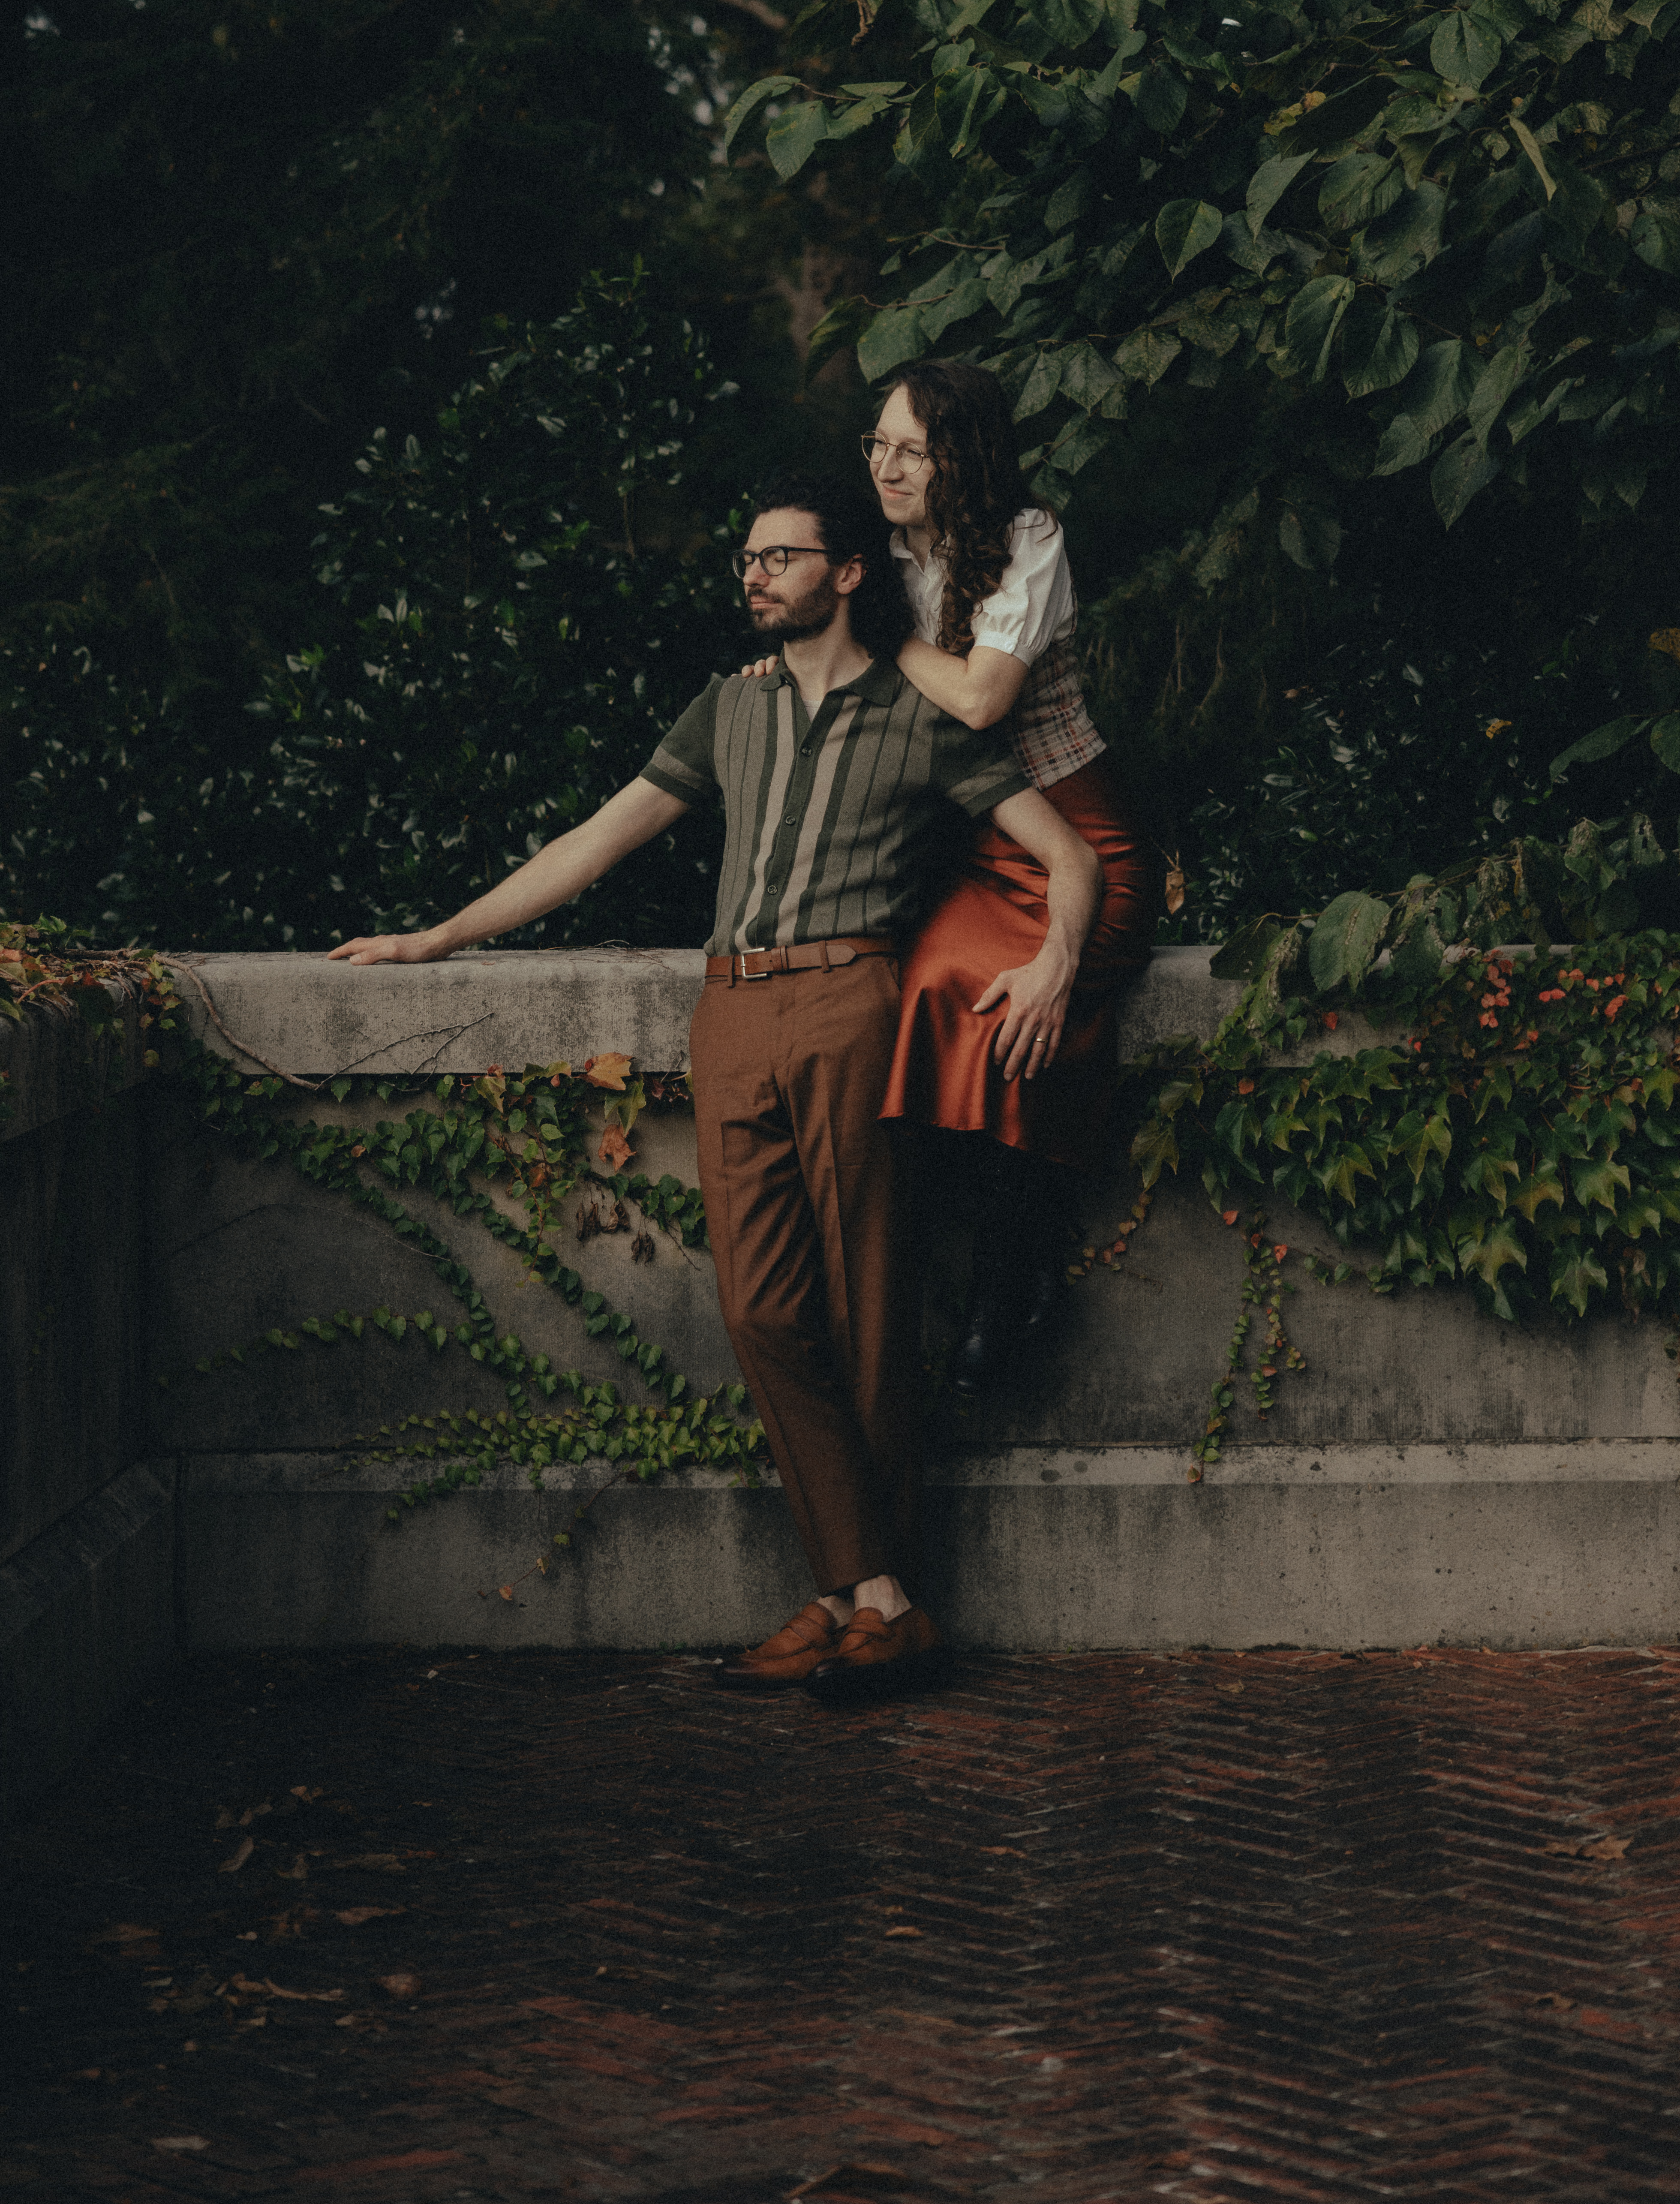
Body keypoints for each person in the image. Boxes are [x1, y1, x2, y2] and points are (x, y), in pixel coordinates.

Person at [331, 468, 1101, 1704]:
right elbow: (595, 840)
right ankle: (876, 1596)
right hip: (729, 1011)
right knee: (761, 1313)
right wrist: (437, 940)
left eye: (780, 558)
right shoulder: (723, 709)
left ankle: (850, 1600)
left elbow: (1065, 857)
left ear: (847, 574)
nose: (753, 577)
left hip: (851, 1003)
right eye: (746, 561)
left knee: (867, 1310)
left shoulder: (919, 714)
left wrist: (1055, 963)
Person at [866, 360, 1160, 1392]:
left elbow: (985, 699)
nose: (887, 468)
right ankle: (992, 1273)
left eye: (911, 449)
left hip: (1083, 838)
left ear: (962, 457)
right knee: (934, 985)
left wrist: (888, 641)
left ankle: (1011, 1282)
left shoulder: (1028, 541)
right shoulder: (880, 554)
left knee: (1025, 1008)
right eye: (878, 446)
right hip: (981, 848)